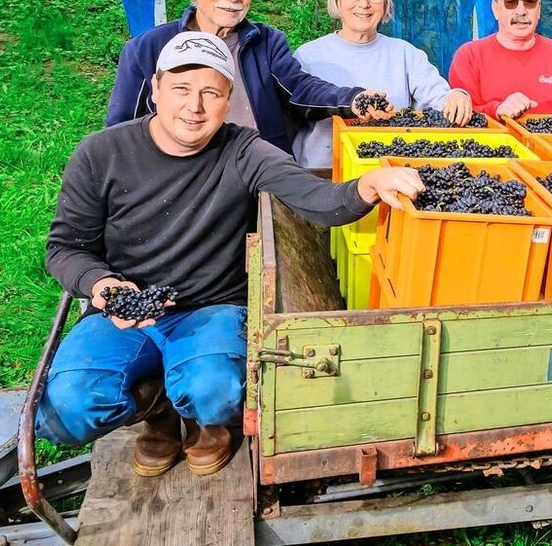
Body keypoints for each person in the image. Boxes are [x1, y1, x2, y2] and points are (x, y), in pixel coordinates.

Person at [37, 33, 427, 478]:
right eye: (181, 89)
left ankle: (206, 423)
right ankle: (159, 413)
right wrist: (102, 287)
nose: (194, 107)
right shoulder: (101, 153)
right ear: (155, 90)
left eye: (211, 93)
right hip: (124, 312)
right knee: (68, 409)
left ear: (228, 100)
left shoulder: (242, 150)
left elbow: (317, 199)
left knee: (215, 390)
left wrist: (368, 185)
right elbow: (66, 248)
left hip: (210, 307)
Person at [106, 0, 392, 154]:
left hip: (256, 171)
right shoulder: (148, 49)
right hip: (181, 177)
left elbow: (301, 89)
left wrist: (352, 100)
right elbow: (120, 129)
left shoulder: (266, 42)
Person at [292, 0, 473, 168]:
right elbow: (289, 113)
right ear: (337, 0)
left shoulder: (405, 54)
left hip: (391, 173)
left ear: (386, 3)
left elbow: (439, 97)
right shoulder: (309, 56)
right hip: (322, 174)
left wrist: (456, 96)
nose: (363, 4)